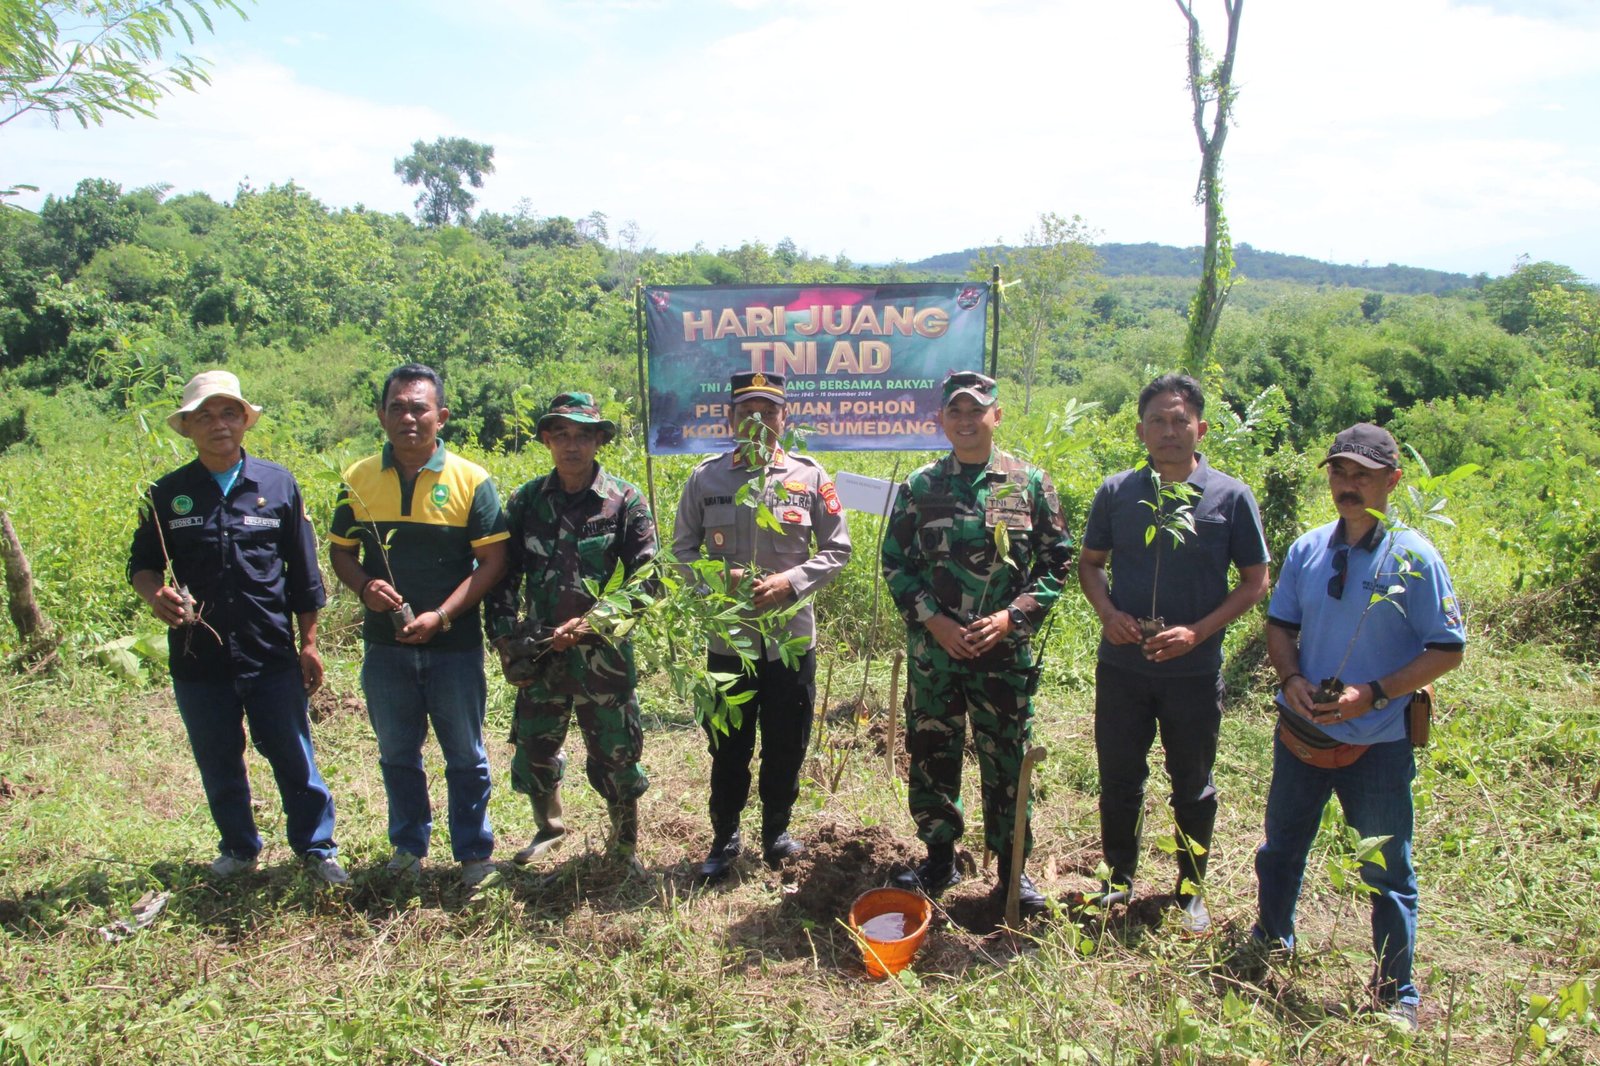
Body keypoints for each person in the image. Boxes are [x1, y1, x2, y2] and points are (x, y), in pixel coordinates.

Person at [1247, 423, 1465, 1030]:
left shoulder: (1415, 557)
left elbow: (1447, 649)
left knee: (1388, 871)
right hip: (1302, 734)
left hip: (1378, 743)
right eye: (1340, 473)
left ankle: (1397, 992)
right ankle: (1271, 941)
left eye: (1363, 475)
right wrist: (1291, 678)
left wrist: (1370, 694)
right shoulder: (1307, 549)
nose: (1348, 486)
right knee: (1281, 848)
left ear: (1392, 481)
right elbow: (1280, 625)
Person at [128, 370, 346, 884]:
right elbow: (143, 566)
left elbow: (304, 573)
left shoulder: (277, 484)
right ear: (187, 427)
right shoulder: (167, 493)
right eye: (204, 415)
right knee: (219, 759)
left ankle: (317, 849)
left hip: (270, 651)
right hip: (197, 658)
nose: (218, 424)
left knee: (294, 756)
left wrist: (309, 643)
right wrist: (154, 594)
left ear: (244, 420)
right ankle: (239, 847)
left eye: (228, 413)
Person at [1076, 374, 1269, 933]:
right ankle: (1116, 880)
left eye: (1179, 420)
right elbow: (1090, 563)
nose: (1169, 431)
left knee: (1193, 783)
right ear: (1141, 431)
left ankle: (1190, 891)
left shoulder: (1230, 497)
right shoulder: (1118, 492)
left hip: (1191, 669)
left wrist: (1199, 631)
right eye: (1157, 421)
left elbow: (1254, 580)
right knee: (1118, 777)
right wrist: (1109, 615)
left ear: (1200, 428)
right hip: (1123, 668)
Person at [881, 370, 1073, 915]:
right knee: (932, 752)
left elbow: (1057, 560)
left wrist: (1013, 618)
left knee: (1007, 760)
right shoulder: (920, 487)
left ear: (997, 415)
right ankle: (939, 857)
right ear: (941, 419)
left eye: (976, 410)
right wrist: (933, 621)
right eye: (955, 412)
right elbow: (896, 563)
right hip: (936, 654)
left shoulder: (1027, 481)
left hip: (1001, 655)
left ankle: (1013, 871)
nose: (966, 421)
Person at [328, 364, 508, 887]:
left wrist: (443, 615)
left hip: (454, 648)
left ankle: (474, 853)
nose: (409, 417)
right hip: (385, 649)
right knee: (397, 753)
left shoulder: (471, 481)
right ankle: (408, 846)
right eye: (398, 407)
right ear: (382, 415)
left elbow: (492, 564)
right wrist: (364, 586)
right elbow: (342, 555)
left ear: (441, 416)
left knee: (465, 755)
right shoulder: (358, 480)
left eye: (419, 408)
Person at [671, 371, 852, 883]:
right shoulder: (706, 479)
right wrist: (717, 578)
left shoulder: (811, 477)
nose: (757, 421)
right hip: (728, 641)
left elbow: (838, 548)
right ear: (729, 419)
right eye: (746, 411)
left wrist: (792, 582)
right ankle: (724, 836)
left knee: (786, 740)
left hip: (790, 639)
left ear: (784, 419)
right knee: (727, 742)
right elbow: (682, 550)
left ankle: (777, 832)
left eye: (768, 412)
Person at [486, 392, 658, 870]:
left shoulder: (624, 501)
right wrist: (505, 639)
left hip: (603, 655)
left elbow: (649, 579)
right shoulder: (525, 501)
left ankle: (624, 846)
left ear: (599, 440)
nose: (572, 445)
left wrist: (594, 623)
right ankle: (549, 829)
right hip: (540, 653)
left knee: (618, 755)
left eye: (583, 434)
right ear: (545, 439)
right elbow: (503, 575)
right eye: (561, 434)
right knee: (534, 750)